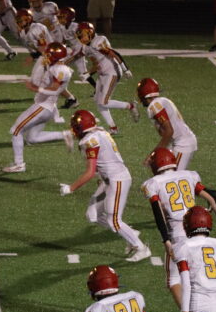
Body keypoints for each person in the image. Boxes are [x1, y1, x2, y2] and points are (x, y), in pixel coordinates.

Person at [141, 148, 216, 310]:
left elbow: (158, 214)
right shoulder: (189, 175)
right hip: (198, 230)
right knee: (198, 274)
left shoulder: (154, 183)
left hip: (178, 235)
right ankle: (212, 309)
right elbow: (212, 197)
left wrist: (166, 240)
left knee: (174, 280)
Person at [60, 110, 151, 262]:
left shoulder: (90, 141)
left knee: (113, 220)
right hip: (108, 179)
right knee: (92, 215)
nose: (73, 130)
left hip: (118, 179)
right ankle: (130, 233)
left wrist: (71, 188)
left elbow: (89, 172)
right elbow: (103, 160)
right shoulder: (99, 132)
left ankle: (142, 248)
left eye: (75, 127)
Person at [3, 43, 74, 173]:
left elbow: (54, 89)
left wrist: (35, 89)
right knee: (32, 138)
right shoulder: (56, 67)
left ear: (55, 56)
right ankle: (64, 135)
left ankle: (19, 164)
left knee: (16, 130)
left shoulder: (60, 69)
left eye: (49, 54)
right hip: (46, 106)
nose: (46, 56)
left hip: (43, 106)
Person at [71, 22, 138, 135]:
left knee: (104, 102)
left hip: (112, 71)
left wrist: (125, 68)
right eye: (79, 37)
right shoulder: (87, 47)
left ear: (90, 32)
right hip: (102, 73)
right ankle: (113, 128)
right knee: (98, 102)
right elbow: (97, 65)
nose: (81, 39)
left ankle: (130, 106)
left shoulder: (98, 41)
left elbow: (114, 54)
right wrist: (88, 74)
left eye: (82, 35)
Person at [135, 78, 198, 171]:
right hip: (180, 142)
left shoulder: (154, 105)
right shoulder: (162, 100)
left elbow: (169, 131)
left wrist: (153, 155)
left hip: (182, 144)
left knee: (173, 176)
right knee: (166, 172)